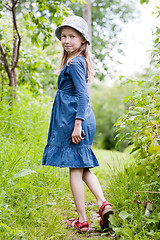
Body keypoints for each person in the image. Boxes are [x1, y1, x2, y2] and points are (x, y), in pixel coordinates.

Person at [42, 16, 113, 232]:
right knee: (83, 168)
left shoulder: (75, 63)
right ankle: (103, 204)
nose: (66, 40)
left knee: (75, 168)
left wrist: (77, 124)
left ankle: (82, 220)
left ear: (83, 40)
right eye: (64, 36)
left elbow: (83, 95)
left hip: (76, 120)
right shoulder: (76, 61)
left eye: (72, 36)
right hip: (77, 119)